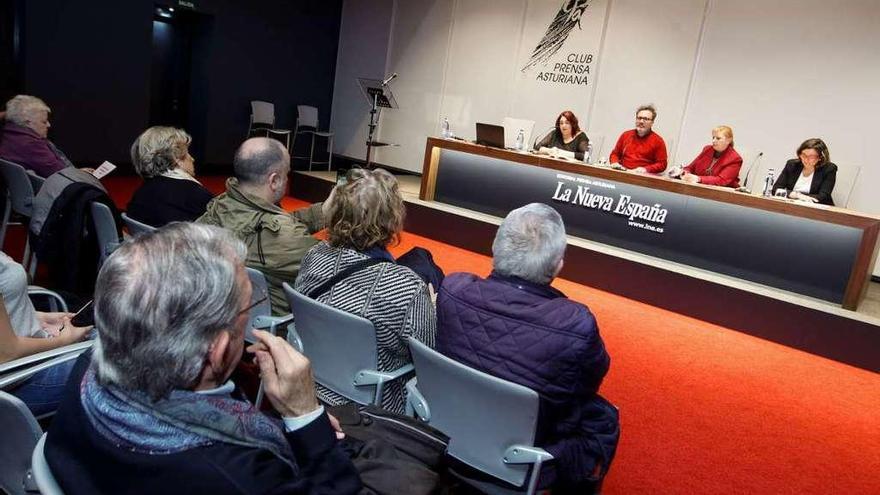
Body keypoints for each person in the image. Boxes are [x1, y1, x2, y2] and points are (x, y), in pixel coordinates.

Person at [45, 223, 361, 494]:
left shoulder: (86, 370)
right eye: (249, 307)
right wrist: (304, 415)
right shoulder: (240, 477)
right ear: (219, 349)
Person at [436, 203, 618, 493]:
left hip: (447, 430)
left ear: (495, 247)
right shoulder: (575, 324)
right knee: (602, 417)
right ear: (558, 264)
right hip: (522, 456)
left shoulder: (453, 290)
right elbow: (589, 381)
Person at [294, 168, 436, 414]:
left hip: (310, 382)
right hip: (372, 404)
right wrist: (430, 309)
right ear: (392, 219)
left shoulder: (313, 257)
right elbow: (429, 361)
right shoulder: (407, 287)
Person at [198, 137, 328, 314]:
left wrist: (322, 213)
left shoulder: (220, 206)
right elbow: (331, 266)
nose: (287, 180)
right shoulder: (283, 236)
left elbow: (273, 224)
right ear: (274, 180)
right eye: (286, 174)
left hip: (225, 315)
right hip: (275, 333)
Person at [0, 252, 91, 416]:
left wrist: (40, 318)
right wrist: (65, 340)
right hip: (19, 382)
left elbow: (7, 304)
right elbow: (6, 353)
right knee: (124, 357)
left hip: (29, 355)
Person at [127, 126, 213, 226]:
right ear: (176, 158)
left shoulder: (141, 193)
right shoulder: (196, 195)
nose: (192, 159)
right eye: (187, 153)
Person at [0, 95, 76, 177]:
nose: (48, 125)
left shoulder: (8, 133)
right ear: (27, 122)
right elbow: (65, 176)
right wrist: (83, 175)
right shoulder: (32, 144)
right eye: (44, 122)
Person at [772, 138, 837, 205]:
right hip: (792, 206)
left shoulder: (829, 169)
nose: (806, 159)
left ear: (820, 158)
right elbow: (776, 189)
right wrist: (797, 195)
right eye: (804, 155)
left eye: (811, 157)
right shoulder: (792, 165)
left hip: (818, 209)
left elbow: (823, 197)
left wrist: (795, 195)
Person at [609, 104, 667, 173]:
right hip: (623, 173)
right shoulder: (626, 135)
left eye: (646, 119)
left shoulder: (658, 141)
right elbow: (615, 154)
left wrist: (645, 169)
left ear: (652, 122)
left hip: (643, 177)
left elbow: (662, 164)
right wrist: (614, 163)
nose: (641, 122)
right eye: (639, 118)